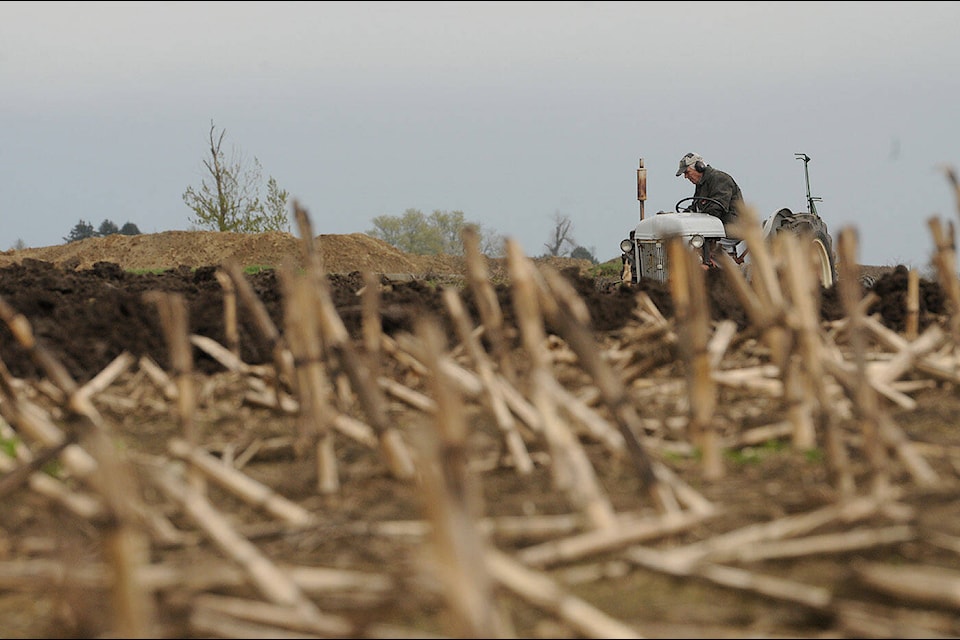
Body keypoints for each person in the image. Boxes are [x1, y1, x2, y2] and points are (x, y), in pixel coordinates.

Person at [676, 152, 745, 257]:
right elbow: (696, 207)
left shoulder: (720, 179)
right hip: (715, 231)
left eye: (687, 172)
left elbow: (716, 209)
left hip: (729, 231)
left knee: (694, 248)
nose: (686, 177)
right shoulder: (701, 184)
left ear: (699, 167)